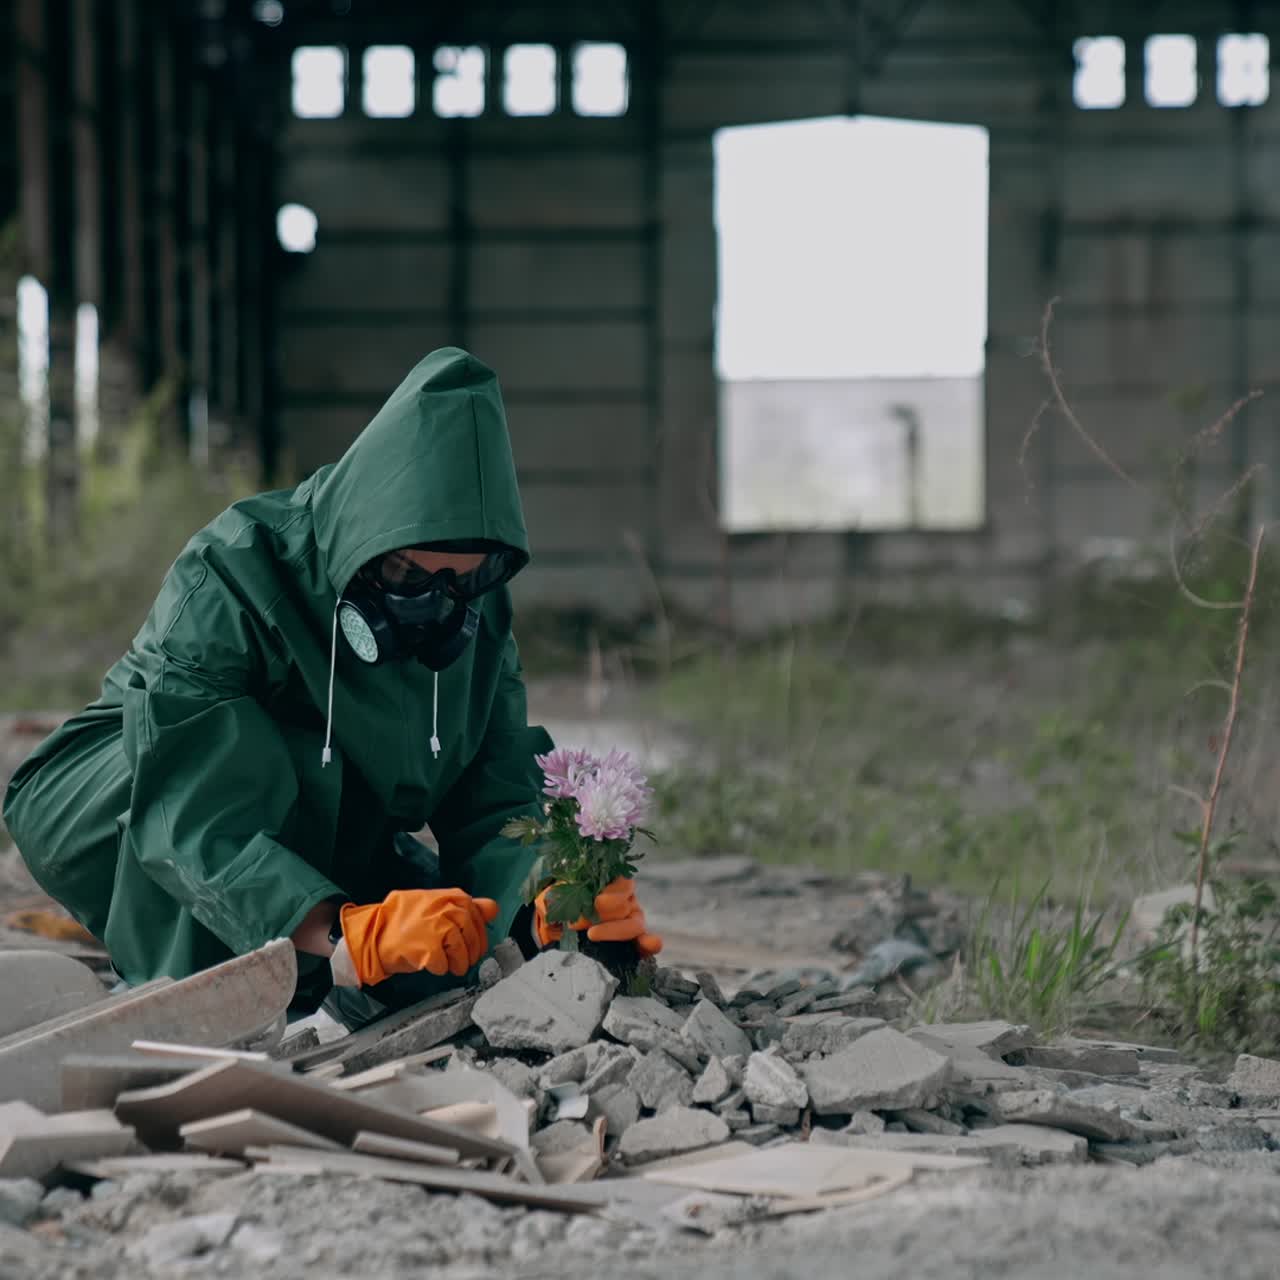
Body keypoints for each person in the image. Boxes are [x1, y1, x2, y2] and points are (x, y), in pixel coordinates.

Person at [2, 348, 660, 1027]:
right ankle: (188, 1000)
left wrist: (549, 893)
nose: (435, 606)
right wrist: (346, 933)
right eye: (410, 575)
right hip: (119, 796)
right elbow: (186, 811)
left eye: (460, 580)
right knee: (260, 757)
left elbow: (495, 794)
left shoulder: (478, 614)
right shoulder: (233, 572)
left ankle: (318, 954)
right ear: (366, 539)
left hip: (320, 828)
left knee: (453, 945)